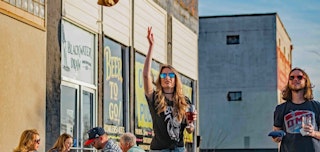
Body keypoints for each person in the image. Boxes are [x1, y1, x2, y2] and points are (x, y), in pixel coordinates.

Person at [143, 26, 197, 151]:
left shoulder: (184, 101)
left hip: (179, 148)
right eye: (163, 75)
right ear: (160, 79)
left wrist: (191, 124)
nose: (167, 77)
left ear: (175, 79)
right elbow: (146, 76)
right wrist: (151, 47)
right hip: (159, 149)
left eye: (171, 75)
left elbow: (189, 129)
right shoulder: (155, 98)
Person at [272, 67, 320, 151]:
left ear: (306, 81)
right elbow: (276, 134)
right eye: (292, 77)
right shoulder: (281, 108)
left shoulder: (317, 106)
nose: (295, 79)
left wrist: (313, 133)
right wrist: (276, 137)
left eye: (299, 77)